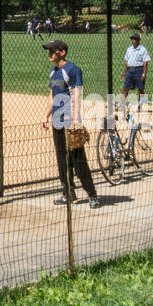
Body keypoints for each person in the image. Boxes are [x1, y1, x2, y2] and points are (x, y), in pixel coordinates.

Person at [41, 40, 100, 208]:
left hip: (69, 122)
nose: (50, 53)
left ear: (63, 52)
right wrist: (45, 116)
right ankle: (68, 192)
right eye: (49, 50)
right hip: (57, 122)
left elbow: (76, 95)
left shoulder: (72, 70)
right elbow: (52, 95)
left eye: (53, 50)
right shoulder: (54, 72)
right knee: (62, 159)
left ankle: (92, 194)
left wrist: (75, 120)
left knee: (78, 160)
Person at [120, 32, 151, 115]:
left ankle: (140, 105)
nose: (133, 41)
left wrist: (144, 74)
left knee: (140, 89)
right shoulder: (129, 49)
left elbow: (145, 63)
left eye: (134, 39)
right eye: (132, 39)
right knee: (125, 88)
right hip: (130, 70)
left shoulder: (143, 49)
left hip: (139, 70)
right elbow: (126, 61)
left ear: (138, 40)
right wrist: (124, 72)